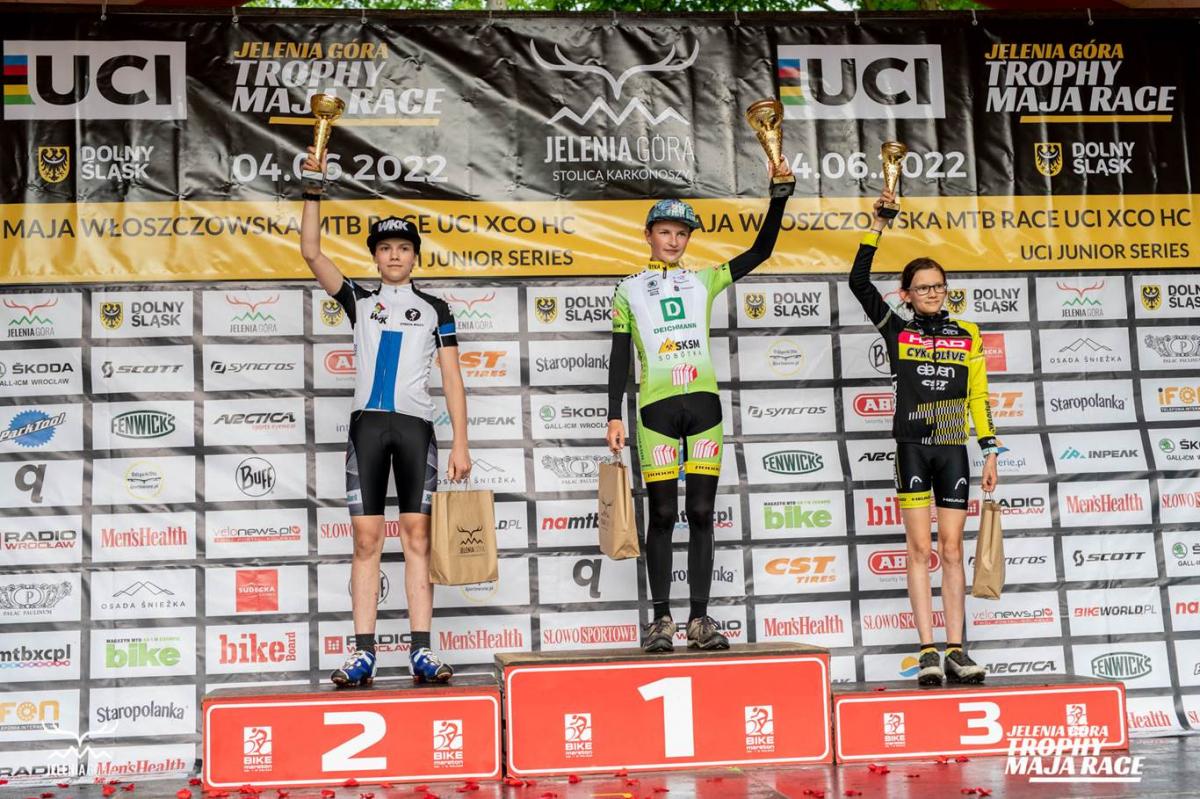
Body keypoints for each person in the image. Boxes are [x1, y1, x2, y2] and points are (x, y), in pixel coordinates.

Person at [300, 146, 471, 687]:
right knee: (366, 541)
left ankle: (422, 650)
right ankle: (363, 653)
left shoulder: (436, 309)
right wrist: (313, 190)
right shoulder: (358, 299)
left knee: (418, 538)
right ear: (375, 257)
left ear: (415, 257)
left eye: (403, 248)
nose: (394, 256)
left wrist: (461, 443)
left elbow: (452, 379)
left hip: (417, 429)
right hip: (368, 428)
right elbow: (311, 252)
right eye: (385, 248)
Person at [606, 180, 790, 653]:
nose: (673, 241)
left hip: (704, 406)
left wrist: (779, 198)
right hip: (656, 409)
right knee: (663, 514)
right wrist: (613, 415)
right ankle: (661, 620)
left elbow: (761, 251)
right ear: (648, 235)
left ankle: (699, 620)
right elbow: (619, 355)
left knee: (703, 512)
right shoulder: (627, 289)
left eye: (682, 233)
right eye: (665, 231)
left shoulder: (703, 280)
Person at [850, 188, 999, 686]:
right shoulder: (896, 330)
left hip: (953, 449)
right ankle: (927, 651)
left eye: (938, 286)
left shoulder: (968, 334)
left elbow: (978, 394)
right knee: (919, 550)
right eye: (923, 288)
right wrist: (878, 225)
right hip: (912, 449)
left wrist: (990, 450)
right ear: (906, 294)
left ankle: (956, 648)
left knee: (952, 551)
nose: (933, 293)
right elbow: (857, 282)